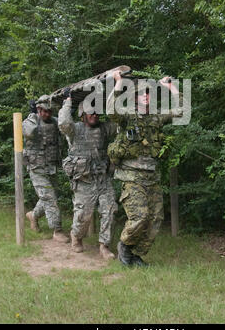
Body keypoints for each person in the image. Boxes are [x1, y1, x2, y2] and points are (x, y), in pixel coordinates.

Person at [107, 73, 183, 267]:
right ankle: (124, 246)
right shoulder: (127, 116)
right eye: (142, 94)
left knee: (156, 218)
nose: (146, 97)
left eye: (148, 94)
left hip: (152, 177)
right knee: (139, 217)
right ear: (134, 97)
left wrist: (171, 87)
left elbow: (182, 110)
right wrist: (118, 85)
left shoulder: (155, 118)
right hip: (132, 177)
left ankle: (136, 254)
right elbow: (110, 112)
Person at [58, 90, 118, 260]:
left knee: (110, 210)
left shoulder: (104, 128)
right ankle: (76, 237)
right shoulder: (75, 129)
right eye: (91, 112)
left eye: (97, 112)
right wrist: (67, 102)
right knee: (83, 215)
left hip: (102, 179)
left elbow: (121, 123)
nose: (95, 115)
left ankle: (104, 246)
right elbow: (63, 123)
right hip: (84, 181)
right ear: (82, 115)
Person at [23, 95, 68, 242]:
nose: (48, 114)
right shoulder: (31, 121)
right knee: (49, 197)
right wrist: (32, 115)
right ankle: (57, 230)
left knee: (49, 196)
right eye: (45, 111)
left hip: (51, 167)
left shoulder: (54, 122)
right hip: (37, 168)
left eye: (50, 111)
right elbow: (29, 132)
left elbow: (67, 127)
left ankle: (33, 215)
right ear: (39, 110)